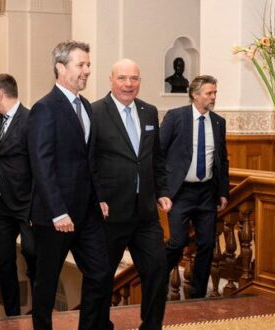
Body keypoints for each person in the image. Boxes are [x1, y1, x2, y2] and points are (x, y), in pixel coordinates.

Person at [28, 40, 109, 330]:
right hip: (56, 216)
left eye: (88, 64)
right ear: (61, 68)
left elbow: (89, 161)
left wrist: (98, 197)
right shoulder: (44, 108)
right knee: (47, 282)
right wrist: (58, 212)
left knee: (100, 273)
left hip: (87, 212)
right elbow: (41, 164)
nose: (87, 70)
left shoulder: (85, 105)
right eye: (81, 65)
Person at [90, 59, 169, 330]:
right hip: (109, 212)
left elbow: (155, 158)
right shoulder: (95, 112)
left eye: (134, 78)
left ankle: (151, 326)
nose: (128, 84)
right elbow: (88, 164)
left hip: (145, 213)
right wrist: (96, 197)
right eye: (122, 78)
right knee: (101, 278)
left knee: (158, 270)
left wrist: (163, 191)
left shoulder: (149, 112)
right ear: (111, 80)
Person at [159, 75, 229, 299]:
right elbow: (158, 153)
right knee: (177, 242)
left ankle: (197, 294)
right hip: (180, 192)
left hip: (206, 193)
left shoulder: (218, 122)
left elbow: (222, 160)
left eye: (215, 93)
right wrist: (162, 191)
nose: (213, 97)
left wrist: (223, 192)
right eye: (209, 93)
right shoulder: (175, 117)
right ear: (195, 94)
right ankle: (157, 279)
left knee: (207, 243)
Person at [0, 73, 36, 317]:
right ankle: (13, 314)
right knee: (3, 261)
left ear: (0, 94)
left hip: (26, 204)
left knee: (33, 255)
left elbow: (39, 164)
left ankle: (39, 311)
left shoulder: (31, 119)